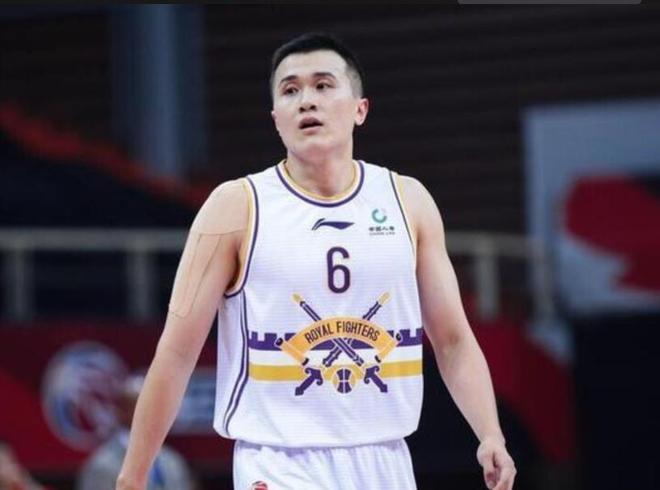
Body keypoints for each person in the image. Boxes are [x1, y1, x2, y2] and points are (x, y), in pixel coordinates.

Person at [117, 32, 516, 490]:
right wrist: (133, 475)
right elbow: (176, 352)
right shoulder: (236, 206)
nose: (306, 100)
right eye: (290, 90)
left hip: (385, 459)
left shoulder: (409, 201)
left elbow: (453, 341)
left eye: (323, 85)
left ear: (360, 109)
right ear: (276, 119)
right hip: (278, 463)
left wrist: (490, 432)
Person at [79, 375, 194, 490]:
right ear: (121, 412)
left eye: (153, 405)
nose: (150, 413)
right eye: (141, 406)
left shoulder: (173, 461)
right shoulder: (102, 465)